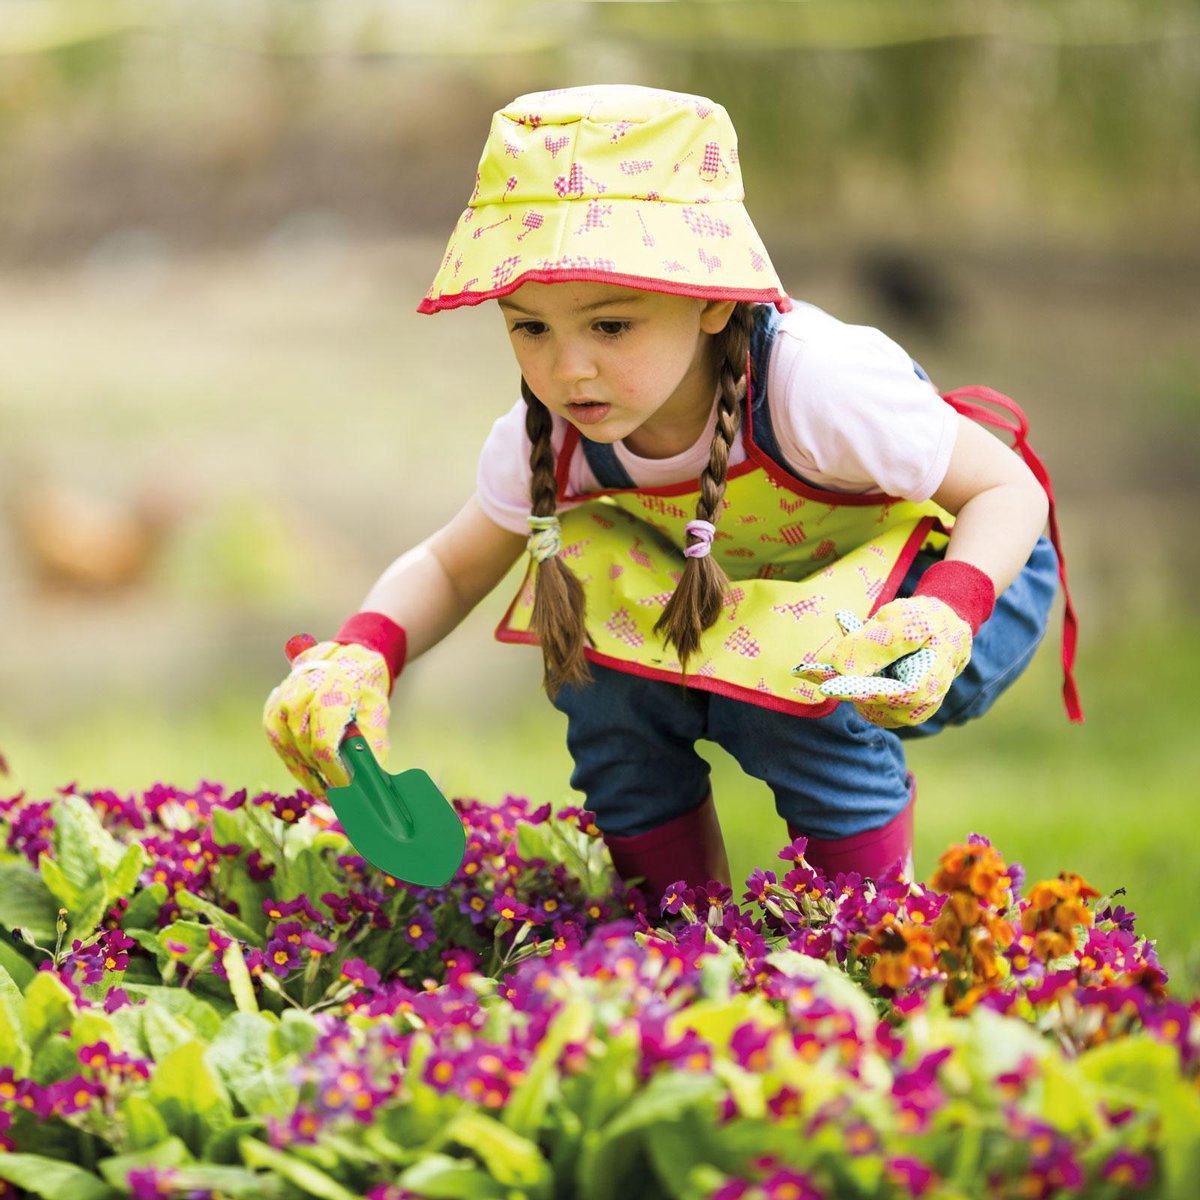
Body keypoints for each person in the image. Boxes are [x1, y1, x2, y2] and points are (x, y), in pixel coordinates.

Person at [263, 84, 1081, 902]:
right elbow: (451, 565)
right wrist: (364, 655)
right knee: (602, 665)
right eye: (530, 327)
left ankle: (868, 935)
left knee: (786, 696)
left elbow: (1008, 490)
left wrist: (946, 611)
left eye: (609, 326)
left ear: (715, 301)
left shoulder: (816, 384)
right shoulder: (552, 435)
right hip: (764, 604)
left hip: (953, 590)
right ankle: (677, 936)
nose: (566, 368)